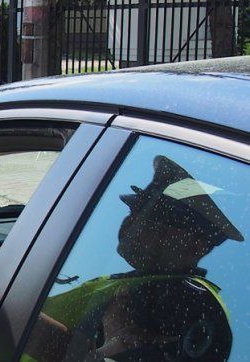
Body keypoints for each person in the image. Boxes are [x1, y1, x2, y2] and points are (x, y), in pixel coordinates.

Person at [25, 155, 241, 362]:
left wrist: (11, 314)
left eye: (152, 217)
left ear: (196, 244)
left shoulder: (183, 300)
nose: (130, 221)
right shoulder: (144, 281)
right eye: (134, 210)